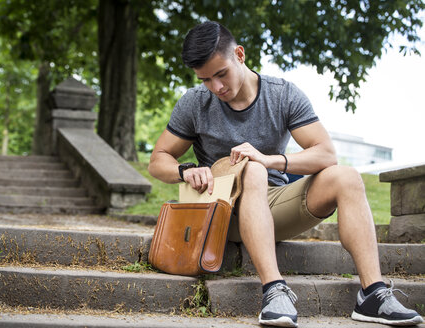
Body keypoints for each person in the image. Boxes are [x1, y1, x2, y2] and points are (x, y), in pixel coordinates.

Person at [147, 21, 423, 327]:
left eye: (221, 74)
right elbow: (158, 159)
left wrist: (269, 160)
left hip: (274, 204)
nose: (217, 87)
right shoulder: (195, 103)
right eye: (206, 80)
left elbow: (325, 153)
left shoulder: (283, 95)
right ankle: (274, 290)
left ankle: (373, 294)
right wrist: (185, 170)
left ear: (239, 54)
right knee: (252, 170)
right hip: (224, 212)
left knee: (346, 176)